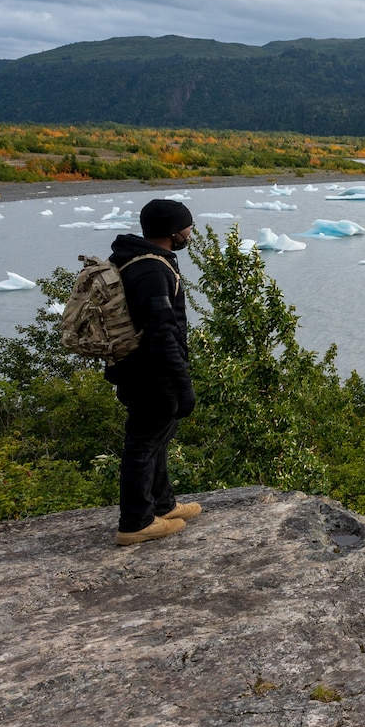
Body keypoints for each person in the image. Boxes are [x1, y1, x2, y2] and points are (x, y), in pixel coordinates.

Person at [105, 199, 201, 546]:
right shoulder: (150, 270)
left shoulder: (140, 260)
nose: (190, 232)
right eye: (188, 225)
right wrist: (182, 384)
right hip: (151, 374)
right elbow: (161, 333)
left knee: (158, 438)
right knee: (143, 444)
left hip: (140, 370)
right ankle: (136, 522)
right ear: (171, 231)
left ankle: (162, 504)